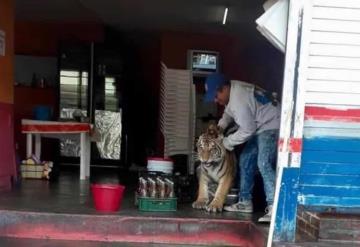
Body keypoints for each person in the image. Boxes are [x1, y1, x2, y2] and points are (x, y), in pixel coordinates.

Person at [204, 73, 280, 222]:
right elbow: (228, 112)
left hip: (271, 124)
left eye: (216, 95)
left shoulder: (239, 100)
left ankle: (274, 207)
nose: (215, 100)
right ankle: (245, 202)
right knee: (245, 160)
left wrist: (225, 143)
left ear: (224, 89)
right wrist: (220, 127)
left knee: (263, 163)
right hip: (260, 125)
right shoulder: (233, 89)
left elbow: (247, 130)